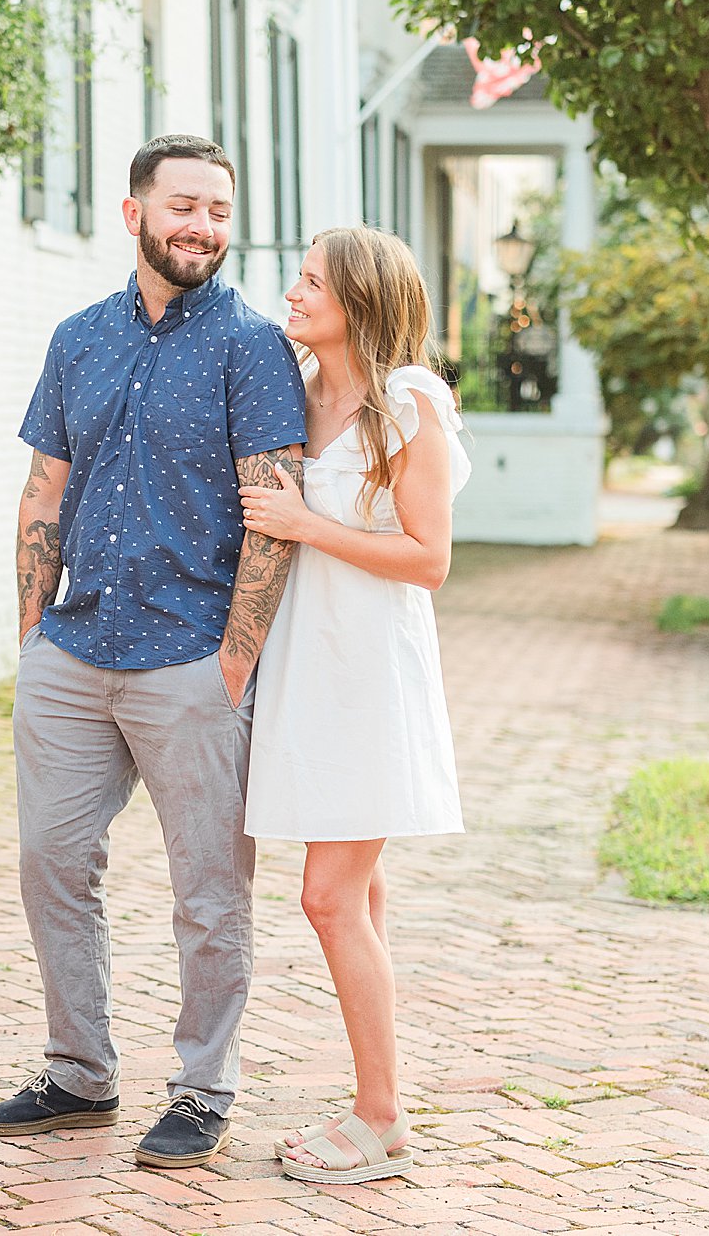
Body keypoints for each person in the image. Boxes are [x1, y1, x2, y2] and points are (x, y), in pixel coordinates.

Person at [0, 134, 307, 1169]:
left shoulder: (250, 346)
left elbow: (273, 510)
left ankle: (203, 1085)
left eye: (216, 209)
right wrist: (30, 633)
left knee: (208, 889)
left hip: (188, 660)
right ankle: (78, 1072)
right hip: (72, 651)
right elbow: (42, 487)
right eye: (182, 206)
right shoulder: (76, 337)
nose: (201, 225)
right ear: (133, 214)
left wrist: (232, 663)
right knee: (50, 865)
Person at [236, 225, 470, 1185]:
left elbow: (430, 560)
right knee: (359, 894)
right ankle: (378, 1092)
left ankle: (382, 1117)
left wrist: (305, 523)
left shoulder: (408, 399)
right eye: (295, 278)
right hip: (307, 664)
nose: (293, 294)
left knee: (326, 897)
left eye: (312, 282)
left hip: (371, 671)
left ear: (361, 302)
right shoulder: (298, 388)